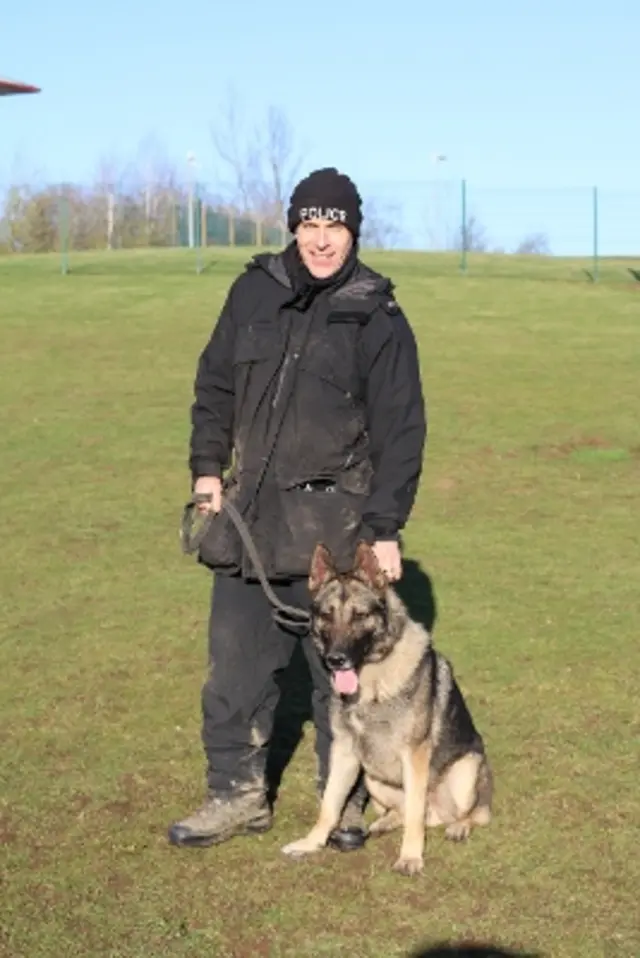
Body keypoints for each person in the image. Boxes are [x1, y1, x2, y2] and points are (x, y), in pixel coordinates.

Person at [168, 167, 427, 850]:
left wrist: (386, 529)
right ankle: (236, 797)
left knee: (337, 683)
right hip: (249, 520)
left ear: (352, 231)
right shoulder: (252, 290)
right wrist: (206, 468)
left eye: (334, 226)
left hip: (336, 533)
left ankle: (336, 806)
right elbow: (214, 383)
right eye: (309, 224)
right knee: (236, 671)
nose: (320, 239)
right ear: (292, 227)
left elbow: (403, 430)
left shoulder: (377, 314)